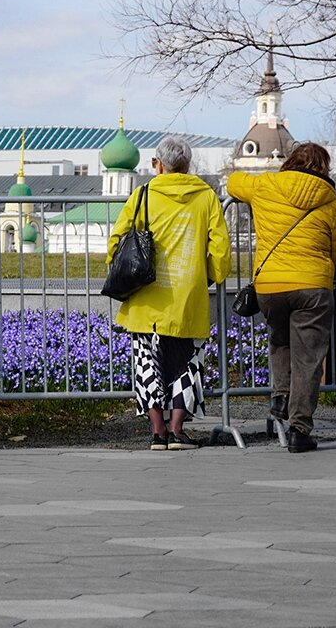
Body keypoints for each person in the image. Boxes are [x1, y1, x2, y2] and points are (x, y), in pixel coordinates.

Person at [108, 135, 231, 451]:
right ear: (188, 165)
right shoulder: (206, 197)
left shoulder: (143, 194)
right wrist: (213, 275)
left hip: (146, 298)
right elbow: (220, 250)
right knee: (187, 365)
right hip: (187, 297)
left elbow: (118, 237)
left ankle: (158, 431)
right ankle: (178, 431)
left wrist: (116, 265)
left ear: (158, 164)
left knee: (147, 365)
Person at [227, 142, 336, 453]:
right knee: (308, 359)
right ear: (324, 168)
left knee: (279, 341)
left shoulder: (266, 185)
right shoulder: (331, 201)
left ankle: (280, 395)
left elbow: (233, 182)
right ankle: (299, 429)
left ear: (290, 161)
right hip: (312, 286)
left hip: (271, 285)